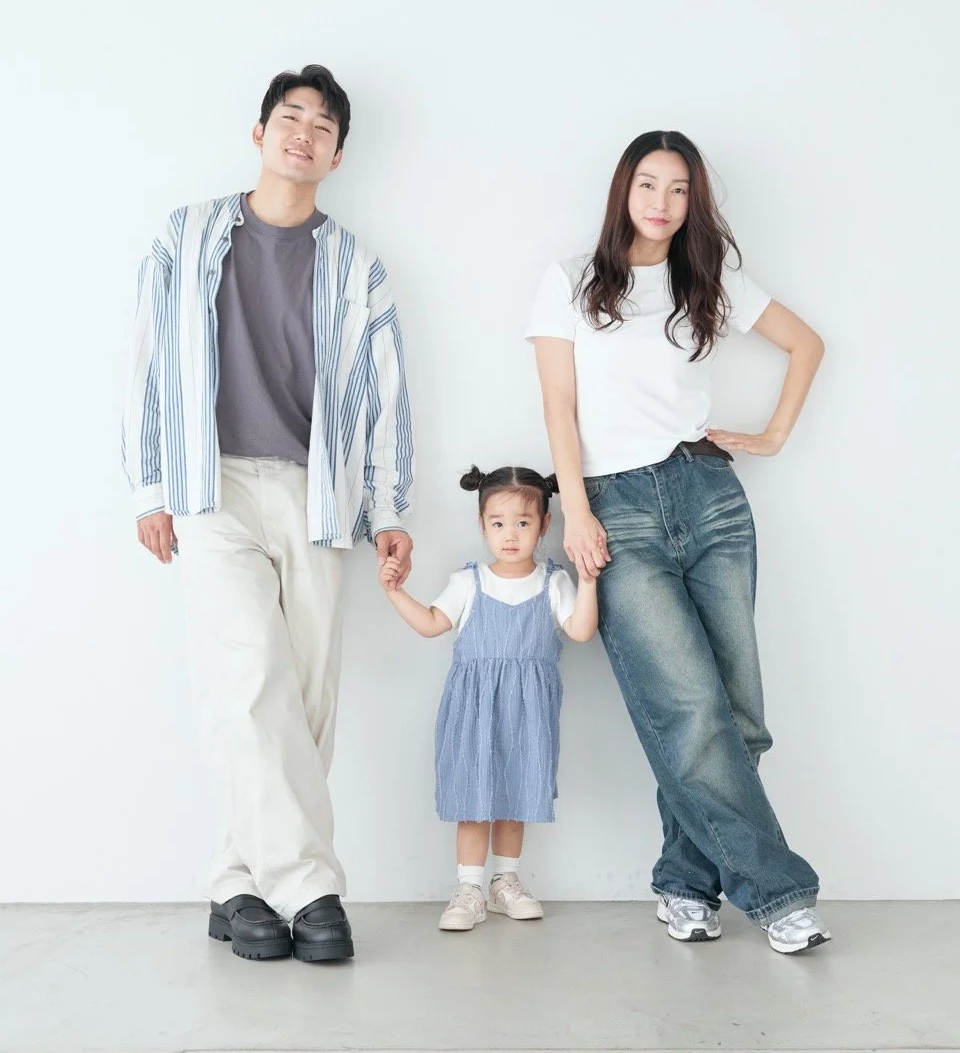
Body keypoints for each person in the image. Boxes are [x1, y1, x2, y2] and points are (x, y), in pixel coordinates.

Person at [122, 65, 414, 963]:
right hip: (210, 488)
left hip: (316, 490)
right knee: (249, 677)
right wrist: (150, 488)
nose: (304, 135)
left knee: (306, 697)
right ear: (260, 133)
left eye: (322, 127)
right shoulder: (186, 235)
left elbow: (385, 394)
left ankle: (237, 884)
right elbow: (146, 361)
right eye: (291, 118)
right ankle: (311, 890)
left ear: (337, 154)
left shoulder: (356, 263)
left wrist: (390, 507)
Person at [526, 130, 830, 954]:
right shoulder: (571, 281)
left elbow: (806, 344)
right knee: (689, 710)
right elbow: (559, 408)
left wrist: (771, 435)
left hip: (710, 495)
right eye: (647, 184)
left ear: (694, 201)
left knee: (739, 717)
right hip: (616, 508)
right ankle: (779, 893)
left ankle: (685, 886)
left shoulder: (710, 277)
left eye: (678, 189)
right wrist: (576, 511)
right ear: (623, 190)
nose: (660, 203)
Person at [379, 465, 598, 931]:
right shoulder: (469, 582)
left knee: (516, 800)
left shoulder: (554, 582)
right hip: (473, 712)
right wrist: (396, 593)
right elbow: (432, 624)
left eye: (523, 522)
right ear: (482, 525)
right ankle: (469, 888)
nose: (510, 534)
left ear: (545, 524)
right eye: (498, 523)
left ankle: (505, 882)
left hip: (529, 714)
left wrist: (589, 579)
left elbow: (581, 630)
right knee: (474, 801)